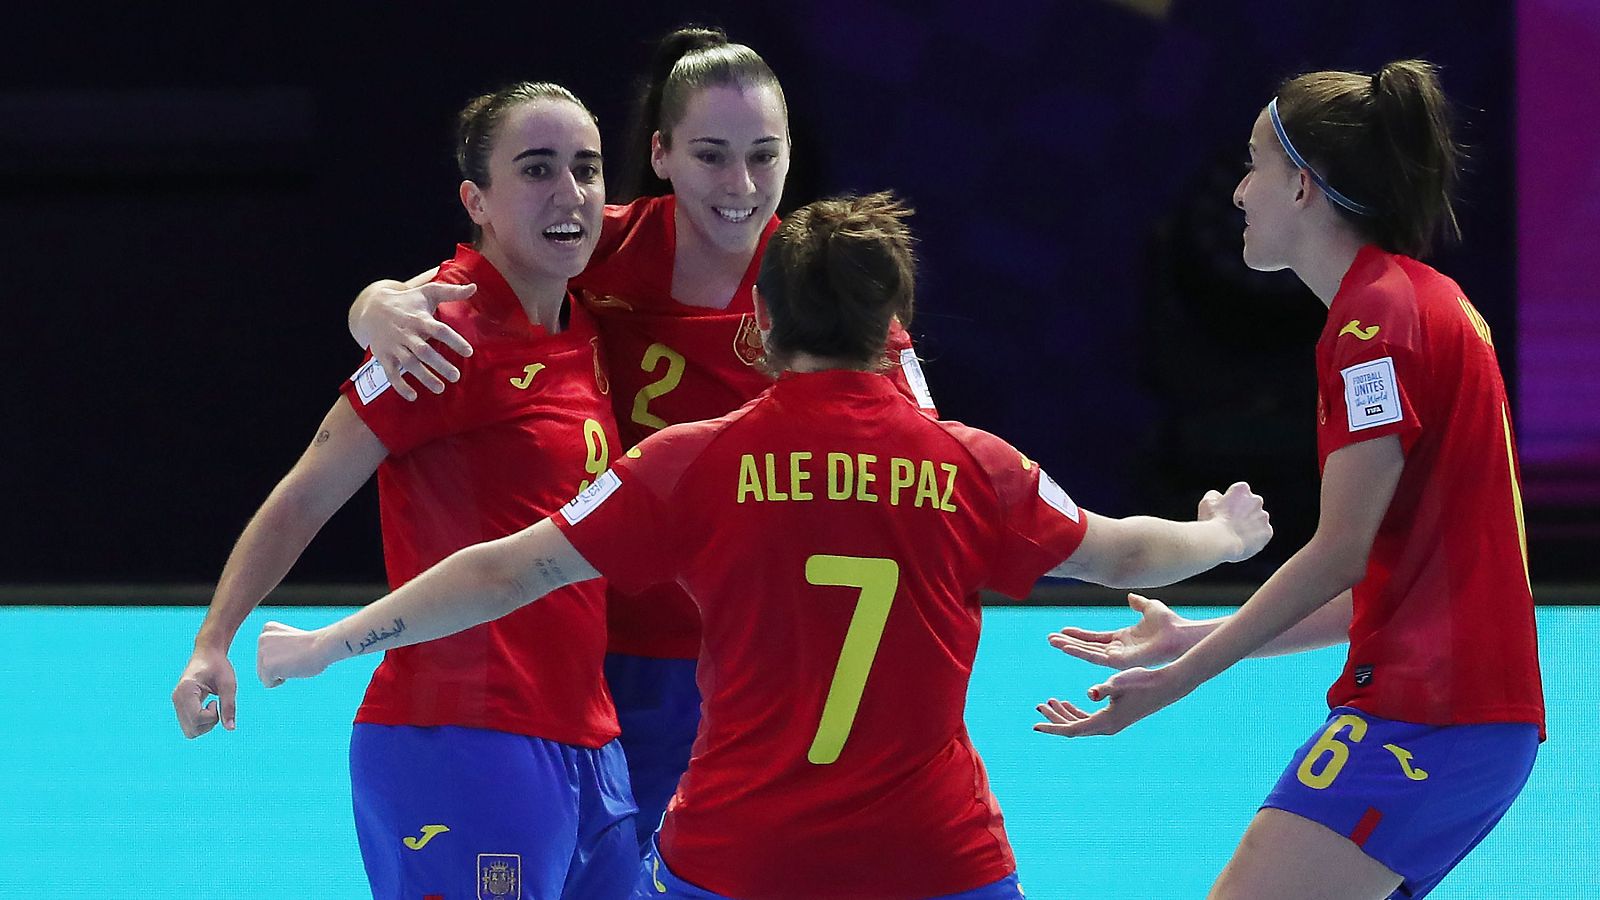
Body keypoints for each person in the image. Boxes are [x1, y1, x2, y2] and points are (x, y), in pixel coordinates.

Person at [258, 191, 1272, 899]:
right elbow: (1123, 552)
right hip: (936, 859)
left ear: (760, 322)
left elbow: (505, 567)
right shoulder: (972, 466)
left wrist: (334, 642)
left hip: (733, 859)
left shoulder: (692, 461)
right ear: (895, 326)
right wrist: (1221, 534)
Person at [344, 26, 939, 847]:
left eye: (764, 156)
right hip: (595, 642)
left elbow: (927, 446)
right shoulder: (603, 244)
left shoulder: (811, 286)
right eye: (711, 156)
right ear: (661, 154)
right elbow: (446, 293)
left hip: (742, 656)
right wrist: (371, 304)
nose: (740, 184)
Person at [1038, 61, 1544, 900]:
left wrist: (1179, 681)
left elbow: (1340, 552)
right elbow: (1379, 585)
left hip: (1431, 719)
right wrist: (1195, 637)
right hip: (1466, 724)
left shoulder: (1376, 322)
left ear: (1305, 188)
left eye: (1253, 165)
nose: (1239, 192)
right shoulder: (1411, 303)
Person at [171, 82, 638, 898]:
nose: (569, 193)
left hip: (590, 743)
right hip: (461, 739)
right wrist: (214, 640)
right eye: (536, 169)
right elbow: (307, 492)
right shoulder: (438, 337)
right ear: (477, 200)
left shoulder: (587, 320)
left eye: (587, 168)